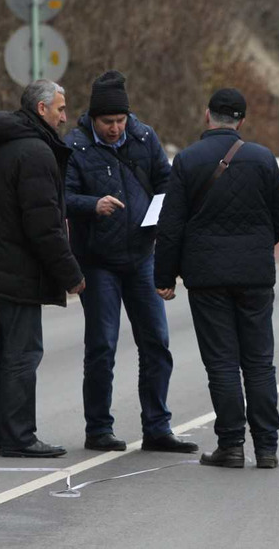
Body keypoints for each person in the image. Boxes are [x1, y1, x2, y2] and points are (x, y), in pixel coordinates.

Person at [154, 88, 279, 469]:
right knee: (259, 363)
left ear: (207, 116)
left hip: (207, 278)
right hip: (255, 277)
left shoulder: (186, 160)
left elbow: (170, 226)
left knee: (222, 363)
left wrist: (164, 276)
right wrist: (258, 246)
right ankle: (267, 448)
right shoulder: (263, 159)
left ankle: (231, 446)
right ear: (242, 121)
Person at [0, 79, 85, 458]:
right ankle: (20, 437)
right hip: (17, 273)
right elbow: (44, 226)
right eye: (60, 108)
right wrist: (71, 274)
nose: (64, 116)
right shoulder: (37, 153)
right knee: (22, 355)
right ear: (41, 110)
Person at [63, 71, 196, 454]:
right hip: (97, 261)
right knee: (102, 345)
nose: (114, 128)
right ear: (93, 118)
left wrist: (161, 215)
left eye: (120, 121)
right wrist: (93, 205)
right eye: (108, 122)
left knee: (157, 341)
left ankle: (157, 427)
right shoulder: (74, 146)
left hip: (142, 257)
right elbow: (61, 197)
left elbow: (167, 183)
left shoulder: (143, 136)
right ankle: (98, 428)